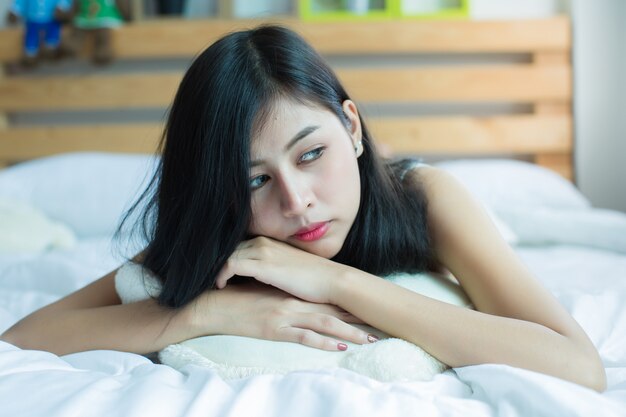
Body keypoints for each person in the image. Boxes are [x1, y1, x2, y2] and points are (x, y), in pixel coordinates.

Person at [0, 25, 606, 391]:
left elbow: (578, 366)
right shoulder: (221, 231)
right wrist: (201, 314)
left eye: (312, 153)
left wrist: (333, 280)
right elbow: (24, 337)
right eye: (254, 180)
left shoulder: (425, 198)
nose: (296, 201)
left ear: (352, 125)